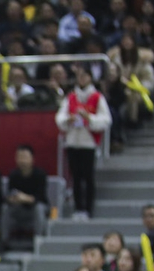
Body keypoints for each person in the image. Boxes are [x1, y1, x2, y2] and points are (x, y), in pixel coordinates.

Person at [55, 66, 112, 219]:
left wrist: (89, 118)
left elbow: (106, 120)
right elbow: (60, 117)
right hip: (73, 140)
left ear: (90, 78)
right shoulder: (71, 97)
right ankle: (78, 208)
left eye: (85, 76)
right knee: (76, 177)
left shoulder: (97, 97)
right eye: (79, 76)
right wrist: (69, 119)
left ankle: (88, 208)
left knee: (88, 177)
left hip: (88, 142)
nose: (82, 79)